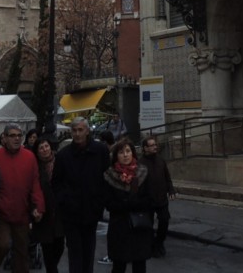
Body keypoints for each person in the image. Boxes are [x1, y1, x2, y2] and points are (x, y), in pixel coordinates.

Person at [53, 117, 109, 273]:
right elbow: (56, 183)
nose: (77, 134)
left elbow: (107, 177)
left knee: (88, 253)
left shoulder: (100, 151)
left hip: (91, 211)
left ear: (87, 131)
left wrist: (100, 203)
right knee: (75, 255)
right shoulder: (64, 155)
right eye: (74, 130)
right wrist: (65, 201)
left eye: (80, 130)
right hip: (71, 214)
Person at [0, 124, 43, 273]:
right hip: (1, 213)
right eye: (12, 135)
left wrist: (39, 206)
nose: (17, 138)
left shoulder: (29, 156)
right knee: (2, 245)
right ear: (4, 138)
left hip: (22, 213)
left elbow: (35, 183)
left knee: (22, 253)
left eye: (19, 135)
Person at [100, 139, 153, 273]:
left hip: (139, 226)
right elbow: (108, 202)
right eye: (121, 152)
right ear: (116, 155)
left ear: (133, 153)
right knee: (119, 265)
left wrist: (135, 204)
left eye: (128, 151)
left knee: (139, 264)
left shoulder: (143, 173)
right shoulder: (109, 175)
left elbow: (149, 198)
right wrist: (125, 204)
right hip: (119, 226)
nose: (125, 155)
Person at [31, 138, 63, 273]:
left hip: (59, 211)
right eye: (41, 148)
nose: (45, 149)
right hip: (44, 212)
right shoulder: (35, 167)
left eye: (46, 146)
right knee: (48, 249)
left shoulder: (59, 162)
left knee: (60, 246)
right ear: (37, 152)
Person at [138, 137, 174, 258]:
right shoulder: (141, 163)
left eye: (155, 145)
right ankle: (151, 244)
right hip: (148, 200)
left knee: (164, 220)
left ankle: (159, 243)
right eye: (152, 145)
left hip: (161, 198)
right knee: (148, 225)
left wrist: (171, 189)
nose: (155, 147)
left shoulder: (160, 160)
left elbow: (167, 176)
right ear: (145, 148)